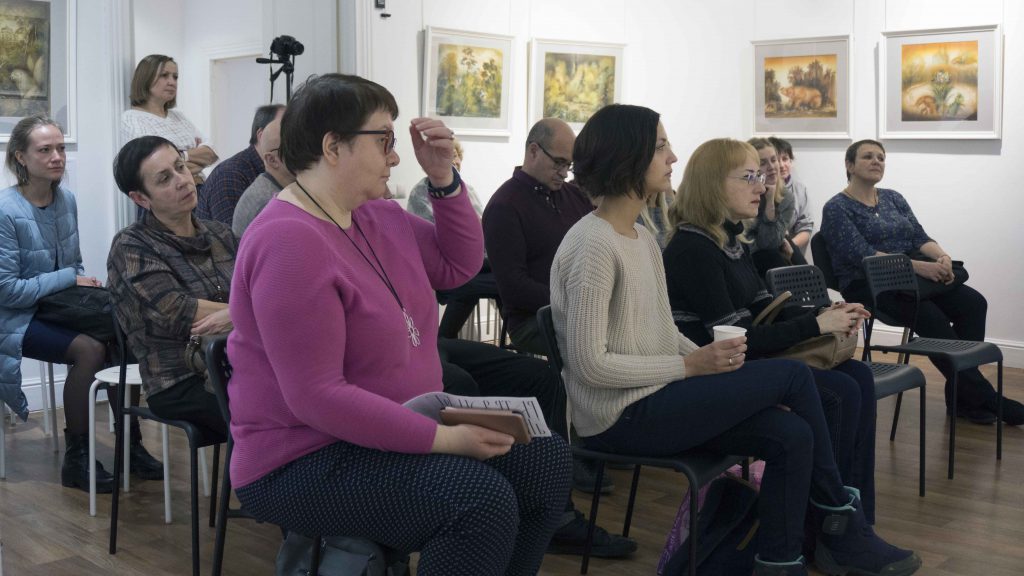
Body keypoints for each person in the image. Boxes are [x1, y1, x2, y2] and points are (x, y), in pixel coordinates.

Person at [550, 104, 920, 576]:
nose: (673, 157)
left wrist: (712, 359)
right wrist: (691, 366)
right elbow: (589, 365)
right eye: (661, 147)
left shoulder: (640, 237)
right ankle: (840, 522)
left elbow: (663, 332)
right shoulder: (593, 244)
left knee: (791, 434)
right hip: (616, 416)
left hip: (654, 394)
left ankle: (780, 562)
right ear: (628, 156)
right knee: (792, 377)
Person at [226, 74, 572, 575]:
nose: (394, 156)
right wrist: (445, 439)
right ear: (333, 147)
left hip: (397, 423)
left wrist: (443, 178)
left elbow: (458, 265)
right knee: (478, 502)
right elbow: (316, 397)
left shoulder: (374, 215)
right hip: (304, 455)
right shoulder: (287, 242)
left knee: (546, 464)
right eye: (384, 140)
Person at [663, 137, 878, 523]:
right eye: (749, 177)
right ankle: (830, 519)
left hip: (744, 359)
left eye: (759, 177)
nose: (761, 187)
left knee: (859, 376)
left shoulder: (730, 239)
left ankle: (856, 517)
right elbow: (738, 339)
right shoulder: (693, 248)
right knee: (841, 391)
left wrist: (825, 311)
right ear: (713, 184)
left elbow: (766, 308)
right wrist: (816, 324)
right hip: (715, 374)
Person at [0, 115, 161, 493]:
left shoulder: (66, 200)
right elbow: (7, 291)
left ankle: (130, 444)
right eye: (45, 150)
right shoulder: (5, 210)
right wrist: (69, 279)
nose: (57, 156)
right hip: (16, 316)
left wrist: (75, 283)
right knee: (90, 349)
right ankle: (78, 459)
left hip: (57, 305)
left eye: (60, 148)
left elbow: (74, 266)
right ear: (21, 157)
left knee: (121, 327)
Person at [821, 139, 1024, 426]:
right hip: (871, 285)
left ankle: (963, 398)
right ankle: (986, 398)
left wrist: (942, 257)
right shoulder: (837, 207)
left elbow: (919, 237)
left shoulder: (893, 198)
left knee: (973, 303)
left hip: (912, 279)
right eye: (868, 156)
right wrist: (919, 267)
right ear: (849, 165)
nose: (877, 161)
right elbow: (862, 254)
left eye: (881, 157)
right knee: (931, 317)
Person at [108, 135, 235, 444]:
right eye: (165, 178)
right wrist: (245, 313)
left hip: (238, 363)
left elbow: (262, 291)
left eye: (180, 167)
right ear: (141, 198)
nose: (182, 180)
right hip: (179, 380)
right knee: (271, 418)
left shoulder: (220, 233)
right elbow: (178, 310)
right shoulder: (132, 245)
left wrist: (240, 313)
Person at [483, 118, 593, 355]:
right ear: (533, 151)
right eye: (559, 163)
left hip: (576, 309)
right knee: (603, 340)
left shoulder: (573, 196)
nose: (564, 173)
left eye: (569, 165)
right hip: (533, 320)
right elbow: (514, 287)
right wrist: (576, 302)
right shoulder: (505, 206)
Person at [407, 138, 497, 339]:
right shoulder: (420, 193)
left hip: (477, 260)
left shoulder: (467, 190)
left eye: (455, 156)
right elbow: (430, 238)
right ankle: (444, 339)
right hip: (445, 264)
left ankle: (445, 339)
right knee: (494, 282)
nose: (452, 161)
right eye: (445, 156)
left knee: (503, 274)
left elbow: (482, 228)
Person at [120, 54, 218, 211]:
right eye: (164, 75)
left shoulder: (178, 116)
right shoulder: (132, 118)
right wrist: (193, 157)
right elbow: (154, 168)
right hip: (167, 203)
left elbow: (211, 152)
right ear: (146, 78)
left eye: (175, 77)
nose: (172, 82)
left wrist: (180, 157)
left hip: (198, 193)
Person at [196, 104, 284, 224]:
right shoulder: (230, 176)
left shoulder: (280, 170)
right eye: (286, 127)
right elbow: (232, 234)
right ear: (261, 135)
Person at [745, 138, 808, 277]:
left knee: (786, 249)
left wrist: (770, 202)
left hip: (769, 252)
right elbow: (744, 243)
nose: (772, 167)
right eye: (763, 163)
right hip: (747, 257)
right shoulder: (742, 194)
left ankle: (814, 287)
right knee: (772, 255)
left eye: (774, 160)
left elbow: (771, 241)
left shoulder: (785, 196)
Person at [231, 110, 294, 236]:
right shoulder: (267, 203)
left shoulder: (273, 189)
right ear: (272, 160)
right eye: (294, 146)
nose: (305, 152)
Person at [768, 136, 814, 256]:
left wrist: (789, 246)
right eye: (776, 160)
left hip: (789, 251)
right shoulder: (758, 189)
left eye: (785, 159)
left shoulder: (799, 189)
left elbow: (805, 228)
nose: (782, 165)